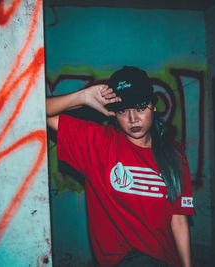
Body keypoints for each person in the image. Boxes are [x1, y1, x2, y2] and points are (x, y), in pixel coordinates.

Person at [46, 66, 195, 267]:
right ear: (113, 114)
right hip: (123, 260)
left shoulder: (174, 153)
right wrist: (83, 97)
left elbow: (178, 220)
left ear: (153, 105)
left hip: (167, 259)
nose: (133, 118)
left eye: (140, 107)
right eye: (123, 110)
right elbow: (38, 112)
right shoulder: (98, 143)